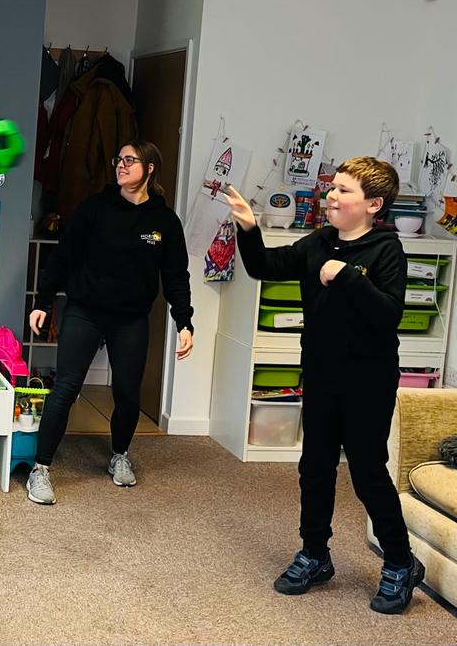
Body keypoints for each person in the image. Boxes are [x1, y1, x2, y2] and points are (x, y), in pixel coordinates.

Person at [225, 156, 424, 614]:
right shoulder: (320, 241)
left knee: (367, 472)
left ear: (374, 204)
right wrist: (249, 229)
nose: (332, 195)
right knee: (314, 467)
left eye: (344, 190)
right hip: (320, 374)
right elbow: (263, 267)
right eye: (332, 187)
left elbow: (389, 314)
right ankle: (315, 553)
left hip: (367, 381)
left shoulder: (386, 250)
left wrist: (349, 275)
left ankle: (399, 561)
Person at [26, 139, 194, 505]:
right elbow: (64, 257)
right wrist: (43, 302)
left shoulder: (164, 221)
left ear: (149, 168)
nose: (120, 165)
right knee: (66, 387)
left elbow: (176, 276)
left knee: (128, 393)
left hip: (131, 317)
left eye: (130, 160)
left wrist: (185, 322)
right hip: (85, 309)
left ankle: (119, 455)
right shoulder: (95, 209)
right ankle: (41, 469)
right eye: (118, 159)